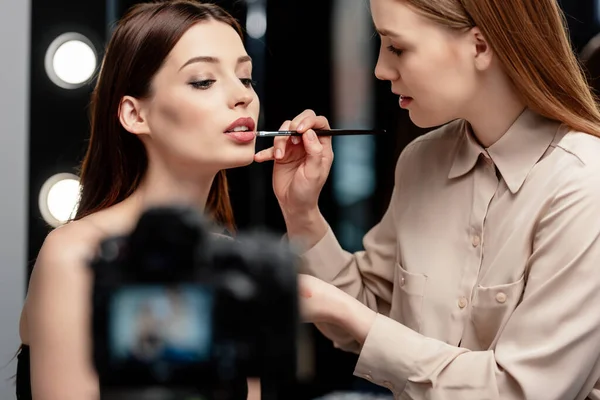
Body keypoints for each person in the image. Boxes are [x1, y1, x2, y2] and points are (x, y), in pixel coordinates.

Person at [254, 0, 600, 398]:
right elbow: (374, 315)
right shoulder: (421, 161)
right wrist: (301, 210)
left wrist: (347, 312)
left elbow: (521, 391)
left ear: (480, 46)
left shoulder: (583, 183)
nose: (381, 69)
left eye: (397, 47)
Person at [17, 1, 261, 399]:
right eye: (203, 80)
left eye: (246, 78)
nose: (242, 96)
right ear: (135, 114)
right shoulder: (76, 256)